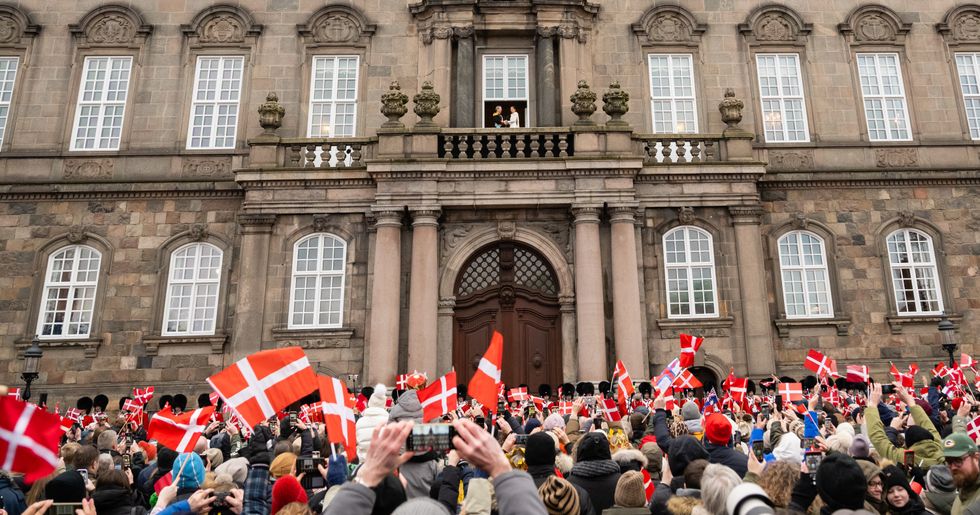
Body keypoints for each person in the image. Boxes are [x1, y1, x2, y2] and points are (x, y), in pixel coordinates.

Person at [941, 432, 980, 515]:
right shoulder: (960, 497)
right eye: (949, 462)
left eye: (958, 460)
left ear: (976, 458)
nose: (953, 467)